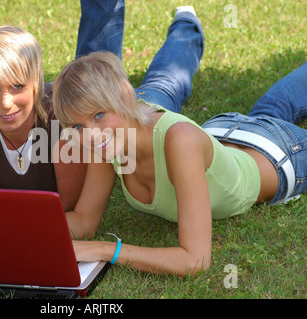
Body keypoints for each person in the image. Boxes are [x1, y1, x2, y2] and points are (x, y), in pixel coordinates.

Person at [52, 7, 307, 277]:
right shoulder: (105, 144)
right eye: (78, 126)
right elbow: (83, 221)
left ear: (126, 98)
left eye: (99, 114)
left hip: (279, 153)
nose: (90, 135)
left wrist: (107, 250)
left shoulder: (179, 140)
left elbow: (194, 260)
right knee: (276, 104)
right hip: (222, 132)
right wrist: (9, 231)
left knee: (277, 107)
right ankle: (186, 25)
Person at [0, 0, 126, 211]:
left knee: (160, 89)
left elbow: (65, 209)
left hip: (125, 109)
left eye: (17, 86)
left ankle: (178, 27)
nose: (6, 104)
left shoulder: (62, 116)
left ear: (37, 82)